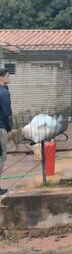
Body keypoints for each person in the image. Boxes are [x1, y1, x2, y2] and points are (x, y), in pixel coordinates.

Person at [0, 68, 13, 196]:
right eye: (8, 76)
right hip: (0, 128)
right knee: (1, 158)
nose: (9, 78)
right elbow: (6, 113)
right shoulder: (3, 92)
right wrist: (9, 128)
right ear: (1, 78)